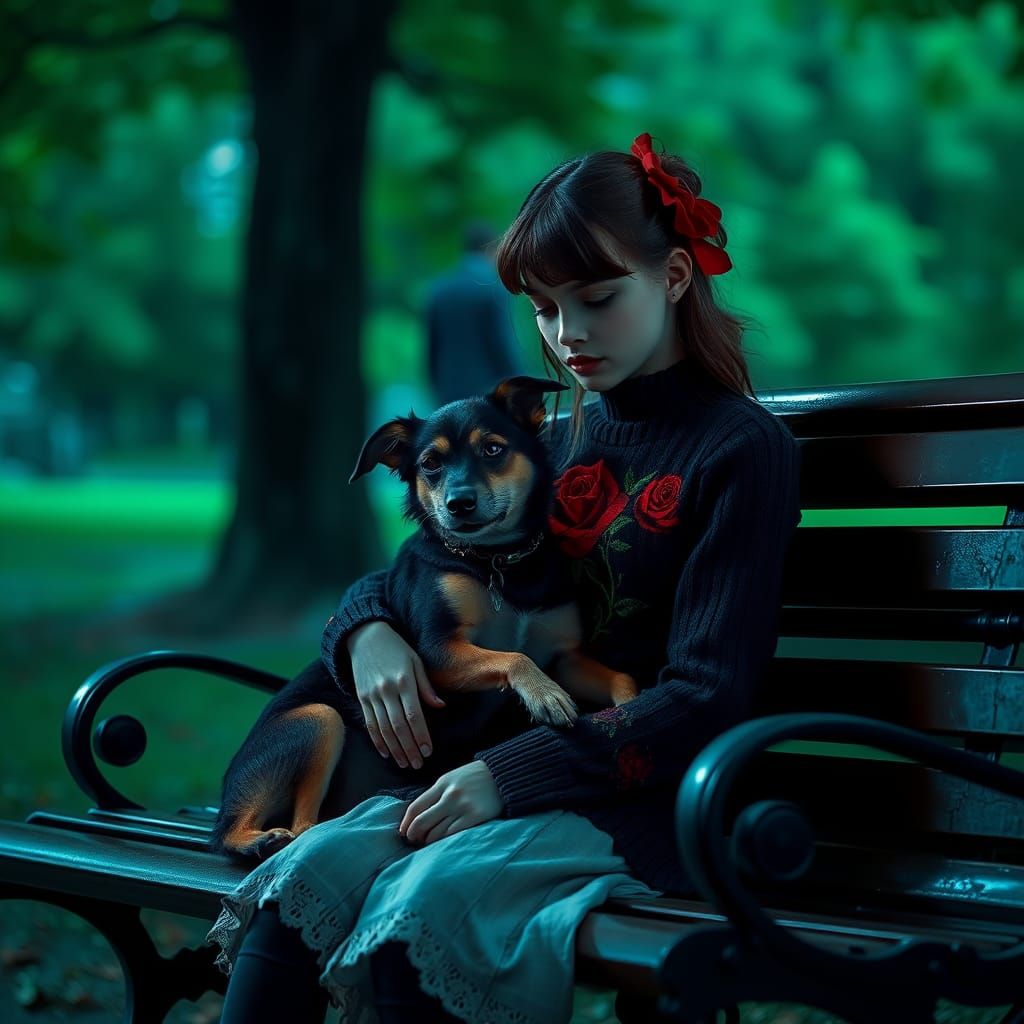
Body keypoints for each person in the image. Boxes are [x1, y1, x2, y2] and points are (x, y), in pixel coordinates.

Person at [207, 132, 802, 1024]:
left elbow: (709, 695)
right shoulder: (551, 442)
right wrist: (366, 629)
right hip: (500, 772)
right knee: (306, 882)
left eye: (598, 300)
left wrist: (508, 777)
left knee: (425, 913)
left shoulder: (740, 450)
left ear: (675, 276)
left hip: (645, 793)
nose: (570, 337)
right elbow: (422, 567)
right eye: (544, 309)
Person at [426, 221, 525, 406]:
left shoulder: (439, 290)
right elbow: (501, 344)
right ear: (491, 250)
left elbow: (432, 349)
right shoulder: (492, 288)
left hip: (447, 391)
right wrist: (520, 383)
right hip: (486, 390)